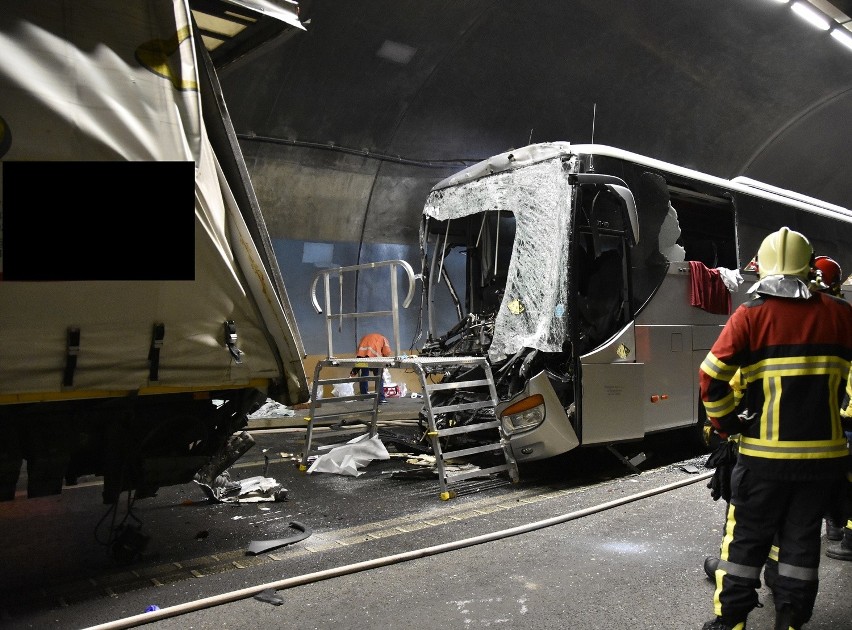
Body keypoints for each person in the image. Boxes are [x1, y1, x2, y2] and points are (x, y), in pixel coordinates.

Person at [698, 227, 852, 630]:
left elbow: (711, 378)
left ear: (763, 267)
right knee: (801, 545)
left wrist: (728, 424)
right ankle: (790, 621)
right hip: (824, 462)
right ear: (809, 269)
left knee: (744, 543)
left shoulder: (750, 316)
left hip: (763, 460)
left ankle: (730, 622)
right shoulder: (842, 315)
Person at [353, 332, 392, 404]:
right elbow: (387, 352)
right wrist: (385, 362)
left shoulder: (365, 337)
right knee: (379, 377)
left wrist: (354, 370)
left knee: (364, 374)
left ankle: (363, 396)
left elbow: (359, 353)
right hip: (375, 358)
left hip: (363, 358)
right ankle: (381, 399)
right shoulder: (383, 338)